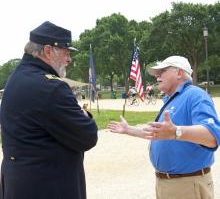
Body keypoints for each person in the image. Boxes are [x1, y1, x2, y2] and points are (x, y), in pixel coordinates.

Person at [0, 21, 98, 199]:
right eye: (65, 52)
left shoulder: (16, 78)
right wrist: (85, 115)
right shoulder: (51, 87)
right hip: (48, 187)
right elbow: (88, 136)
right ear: (47, 51)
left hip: (19, 184)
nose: (69, 59)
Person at [108, 55, 220, 199]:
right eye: (156, 73)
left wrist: (176, 132)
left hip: (187, 185)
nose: (157, 76)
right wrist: (128, 129)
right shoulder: (172, 99)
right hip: (166, 183)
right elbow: (160, 133)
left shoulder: (195, 95)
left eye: (162, 71)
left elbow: (212, 137)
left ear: (179, 73)